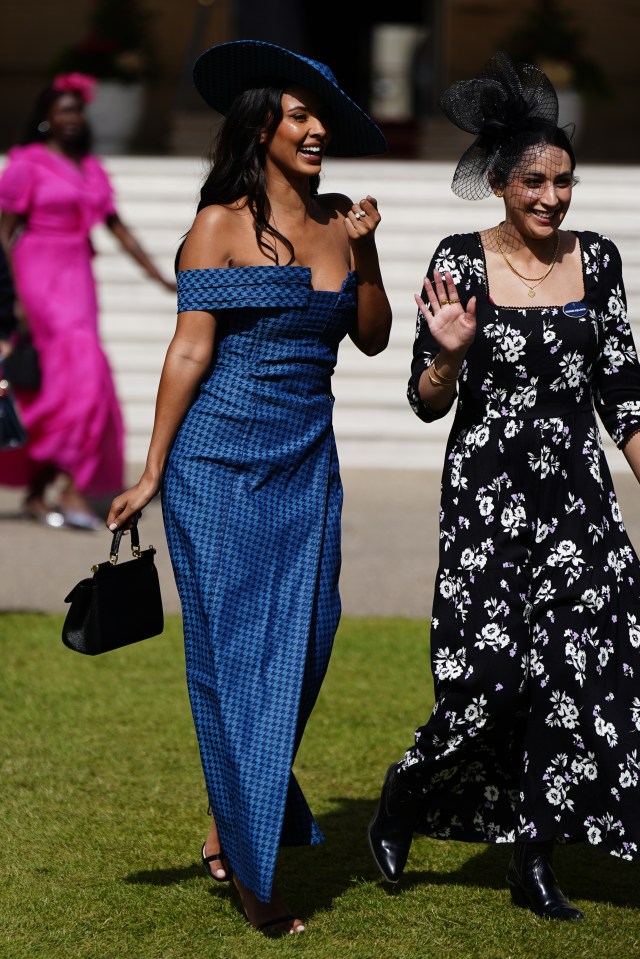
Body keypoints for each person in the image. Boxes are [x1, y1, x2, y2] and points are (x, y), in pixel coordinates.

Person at [107, 40, 391, 934]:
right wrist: (152, 466)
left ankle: (234, 816)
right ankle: (256, 879)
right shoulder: (220, 223)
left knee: (308, 641)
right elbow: (191, 347)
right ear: (260, 123)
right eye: (299, 115)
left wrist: (369, 255)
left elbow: (375, 338)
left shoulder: (343, 216)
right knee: (235, 661)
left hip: (309, 461)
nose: (315, 131)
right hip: (218, 466)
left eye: (322, 120)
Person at [368, 52, 640, 921]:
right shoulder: (461, 261)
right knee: (487, 678)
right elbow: (422, 399)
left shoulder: (596, 261)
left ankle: (535, 855)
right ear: (498, 181)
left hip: (579, 504)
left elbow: (625, 389)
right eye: (535, 180)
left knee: (574, 674)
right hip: (488, 501)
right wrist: (447, 353)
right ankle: (408, 790)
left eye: (563, 180)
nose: (552, 197)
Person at [0, 72, 175, 529]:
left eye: (79, 110)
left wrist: (163, 278)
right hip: (36, 278)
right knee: (84, 379)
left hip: (77, 277)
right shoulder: (28, 163)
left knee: (69, 388)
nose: (74, 118)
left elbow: (118, 230)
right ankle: (73, 491)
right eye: (64, 111)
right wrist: (11, 296)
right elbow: (4, 234)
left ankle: (42, 493)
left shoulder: (90, 168)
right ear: (46, 118)